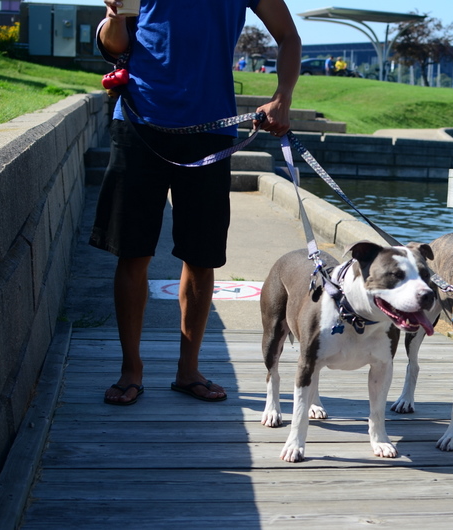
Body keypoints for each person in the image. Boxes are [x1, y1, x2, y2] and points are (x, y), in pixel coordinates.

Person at [94, 0, 301, 405]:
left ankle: (188, 370)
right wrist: (115, 16)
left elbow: (289, 37)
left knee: (201, 256)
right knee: (132, 253)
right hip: (139, 123)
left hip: (211, 129)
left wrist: (283, 97)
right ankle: (130, 370)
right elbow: (115, 44)